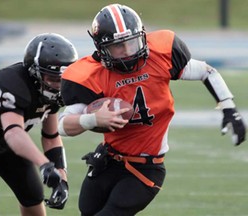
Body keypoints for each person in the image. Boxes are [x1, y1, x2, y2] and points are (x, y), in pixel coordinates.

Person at [57, 3, 246, 216]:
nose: (128, 52)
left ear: (143, 36)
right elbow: (63, 126)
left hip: (145, 169)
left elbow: (207, 72)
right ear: (102, 48)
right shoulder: (89, 75)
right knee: (87, 211)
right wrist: (91, 119)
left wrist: (229, 109)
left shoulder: (160, 54)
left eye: (132, 42)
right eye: (119, 46)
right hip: (108, 161)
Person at [0, 33, 78, 216]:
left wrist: (62, 178)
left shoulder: (52, 91)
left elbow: (51, 137)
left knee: (33, 194)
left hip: (4, 141)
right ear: (35, 72)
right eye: (54, 78)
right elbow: (13, 132)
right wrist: (44, 164)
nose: (59, 85)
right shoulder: (11, 83)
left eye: (63, 78)